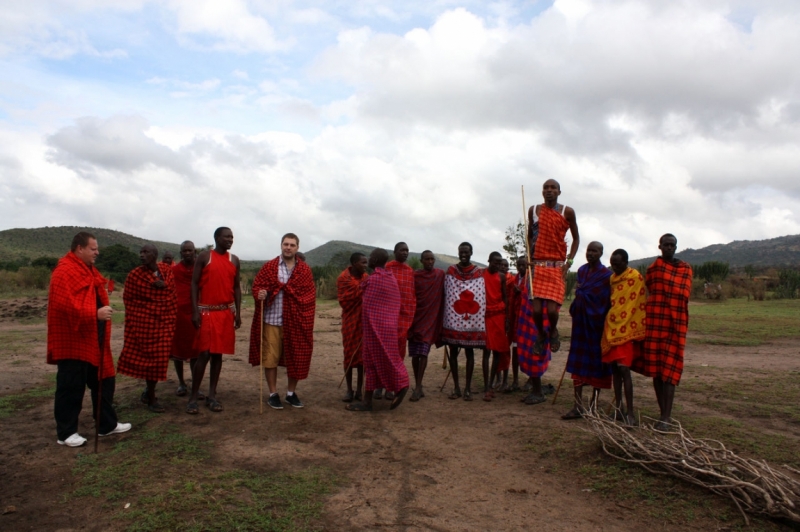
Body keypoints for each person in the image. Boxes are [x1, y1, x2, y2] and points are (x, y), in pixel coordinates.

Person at [47, 232, 130, 447]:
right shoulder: (64, 271)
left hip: (93, 336)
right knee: (71, 385)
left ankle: (106, 424)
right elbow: (65, 305)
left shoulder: (87, 269)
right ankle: (65, 433)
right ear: (79, 248)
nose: (97, 252)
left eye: (97, 248)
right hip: (72, 339)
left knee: (104, 380)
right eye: (93, 249)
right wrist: (94, 314)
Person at [249, 233, 316, 410]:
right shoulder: (269, 267)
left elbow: (309, 296)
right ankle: (273, 394)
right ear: (281, 245)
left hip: (295, 322)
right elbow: (257, 287)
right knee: (270, 358)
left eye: (292, 245)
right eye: (286, 244)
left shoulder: (304, 270)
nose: (288, 247)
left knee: (296, 356)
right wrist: (260, 294)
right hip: (271, 320)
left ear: (297, 248)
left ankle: (291, 394)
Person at [632, 234, 692, 431]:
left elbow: (683, 295)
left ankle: (667, 416)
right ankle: (662, 413)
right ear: (659, 246)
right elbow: (652, 292)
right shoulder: (654, 269)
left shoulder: (685, 270)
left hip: (676, 325)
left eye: (672, 245)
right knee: (657, 370)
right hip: (655, 322)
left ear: (676, 247)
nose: (668, 248)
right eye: (665, 245)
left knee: (670, 370)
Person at [117, 245, 178, 413]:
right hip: (145, 325)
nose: (142, 255)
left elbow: (172, 292)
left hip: (164, 323)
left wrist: (164, 286)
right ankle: (151, 397)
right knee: (151, 361)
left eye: (146, 252)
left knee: (159, 360)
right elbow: (129, 300)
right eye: (141, 252)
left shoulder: (166, 270)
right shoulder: (135, 275)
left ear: (155, 255)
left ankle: (148, 393)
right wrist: (145, 314)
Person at [346, 248, 409, 412]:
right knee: (372, 362)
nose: (369, 259)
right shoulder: (390, 278)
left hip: (376, 328)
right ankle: (367, 401)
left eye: (372, 257)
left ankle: (402, 384)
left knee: (383, 359)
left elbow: (368, 304)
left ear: (376, 260)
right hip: (387, 328)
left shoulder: (374, 280)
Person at [187, 227, 241, 414]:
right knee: (204, 354)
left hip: (225, 313)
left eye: (232, 237)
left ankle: (212, 396)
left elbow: (236, 288)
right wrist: (195, 311)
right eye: (226, 236)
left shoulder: (234, 260)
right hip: (206, 312)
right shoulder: (204, 256)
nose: (230, 240)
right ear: (217, 238)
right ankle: (193, 398)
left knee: (218, 354)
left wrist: (238, 312)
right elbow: (194, 284)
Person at [562, 242, 612, 420]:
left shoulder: (606, 275)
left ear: (601, 253)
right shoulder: (582, 271)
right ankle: (577, 405)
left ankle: (593, 406)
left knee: (597, 364)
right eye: (589, 250)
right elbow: (580, 293)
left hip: (597, 326)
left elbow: (606, 301)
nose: (590, 253)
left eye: (595, 251)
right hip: (580, 324)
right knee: (578, 365)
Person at [528, 179, 579, 354]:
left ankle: (554, 330)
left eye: (553, 188)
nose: (549, 191)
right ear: (542, 191)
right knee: (535, 311)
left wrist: (569, 262)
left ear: (559, 192)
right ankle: (541, 334)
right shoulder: (534, 210)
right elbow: (529, 236)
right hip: (538, 266)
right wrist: (529, 257)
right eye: (546, 188)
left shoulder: (567, 212)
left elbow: (576, 239)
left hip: (557, 267)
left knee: (551, 311)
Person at [601, 249, 646, 426]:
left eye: (617, 264)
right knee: (614, 371)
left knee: (624, 370)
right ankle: (619, 409)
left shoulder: (635, 277)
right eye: (612, 264)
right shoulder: (612, 279)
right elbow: (612, 302)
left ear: (626, 262)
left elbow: (637, 303)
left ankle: (631, 413)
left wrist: (627, 322)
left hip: (627, 330)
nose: (614, 267)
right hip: (611, 328)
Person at [442, 242, 486, 401]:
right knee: (452, 353)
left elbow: (480, 296)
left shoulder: (477, 272)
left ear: (471, 253)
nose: (463, 254)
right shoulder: (451, 270)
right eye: (461, 252)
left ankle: (467, 388)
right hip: (453, 318)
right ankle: (456, 387)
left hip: (471, 322)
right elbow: (449, 293)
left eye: (466, 252)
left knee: (469, 353)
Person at [407, 250, 444, 402]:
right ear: (421, 261)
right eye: (427, 259)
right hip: (415, 319)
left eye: (432, 259)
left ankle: (418, 386)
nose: (430, 262)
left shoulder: (440, 275)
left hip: (430, 320)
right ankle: (418, 385)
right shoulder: (415, 276)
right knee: (415, 356)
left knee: (423, 353)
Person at [383, 242, 417, 401]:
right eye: (402, 250)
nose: (405, 253)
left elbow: (411, 296)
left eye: (407, 251)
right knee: (384, 352)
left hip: (404, 319)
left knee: (398, 354)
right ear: (395, 251)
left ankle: (392, 387)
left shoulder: (410, 271)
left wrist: (410, 315)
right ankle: (380, 386)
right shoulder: (387, 268)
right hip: (387, 317)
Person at [337, 252, 368, 402]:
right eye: (363, 263)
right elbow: (343, 300)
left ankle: (360, 390)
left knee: (363, 357)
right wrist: (360, 290)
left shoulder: (366, 278)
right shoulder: (344, 279)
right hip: (350, 320)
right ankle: (349, 390)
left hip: (363, 322)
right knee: (349, 354)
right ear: (355, 263)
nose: (365, 265)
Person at [171, 241, 200, 397]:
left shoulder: (200, 268)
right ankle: (181, 383)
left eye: (190, 250)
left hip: (196, 313)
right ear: (181, 253)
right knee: (178, 350)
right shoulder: (174, 270)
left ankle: (196, 384)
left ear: (194, 251)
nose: (188, 253)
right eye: (185, 251)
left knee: (196, 350)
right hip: (178, 314)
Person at [481, 252, 509, 402]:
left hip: (498, 315)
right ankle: (486, 386)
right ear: (489, 261)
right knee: (486, 351)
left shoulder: (502, 277)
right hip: (485, 315)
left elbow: (505, 297)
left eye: (499, 263)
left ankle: (491, 384)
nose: (498, 265)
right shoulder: (481, 274)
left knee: (497, 351)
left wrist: (507, 318)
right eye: (495, 262)